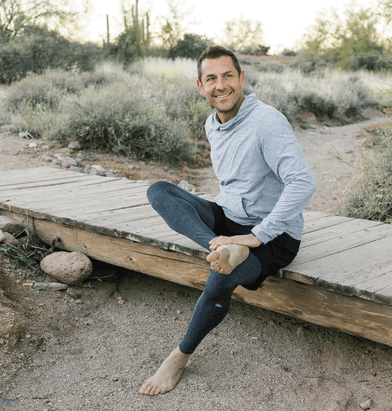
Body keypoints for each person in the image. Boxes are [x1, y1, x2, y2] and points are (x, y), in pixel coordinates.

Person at [139, 45, 317, 395]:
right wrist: (227, 240)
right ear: (200, 86)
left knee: (222, 274)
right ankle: (218, 247)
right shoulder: (213, 123)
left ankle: (178, 357)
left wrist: (255, 237)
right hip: (230, 220)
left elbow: (303, 183)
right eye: (211, 79)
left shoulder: (266, 121)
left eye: (227, 76)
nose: (220, 85)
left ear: (241, 78)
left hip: (273, 236)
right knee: (160, 190)